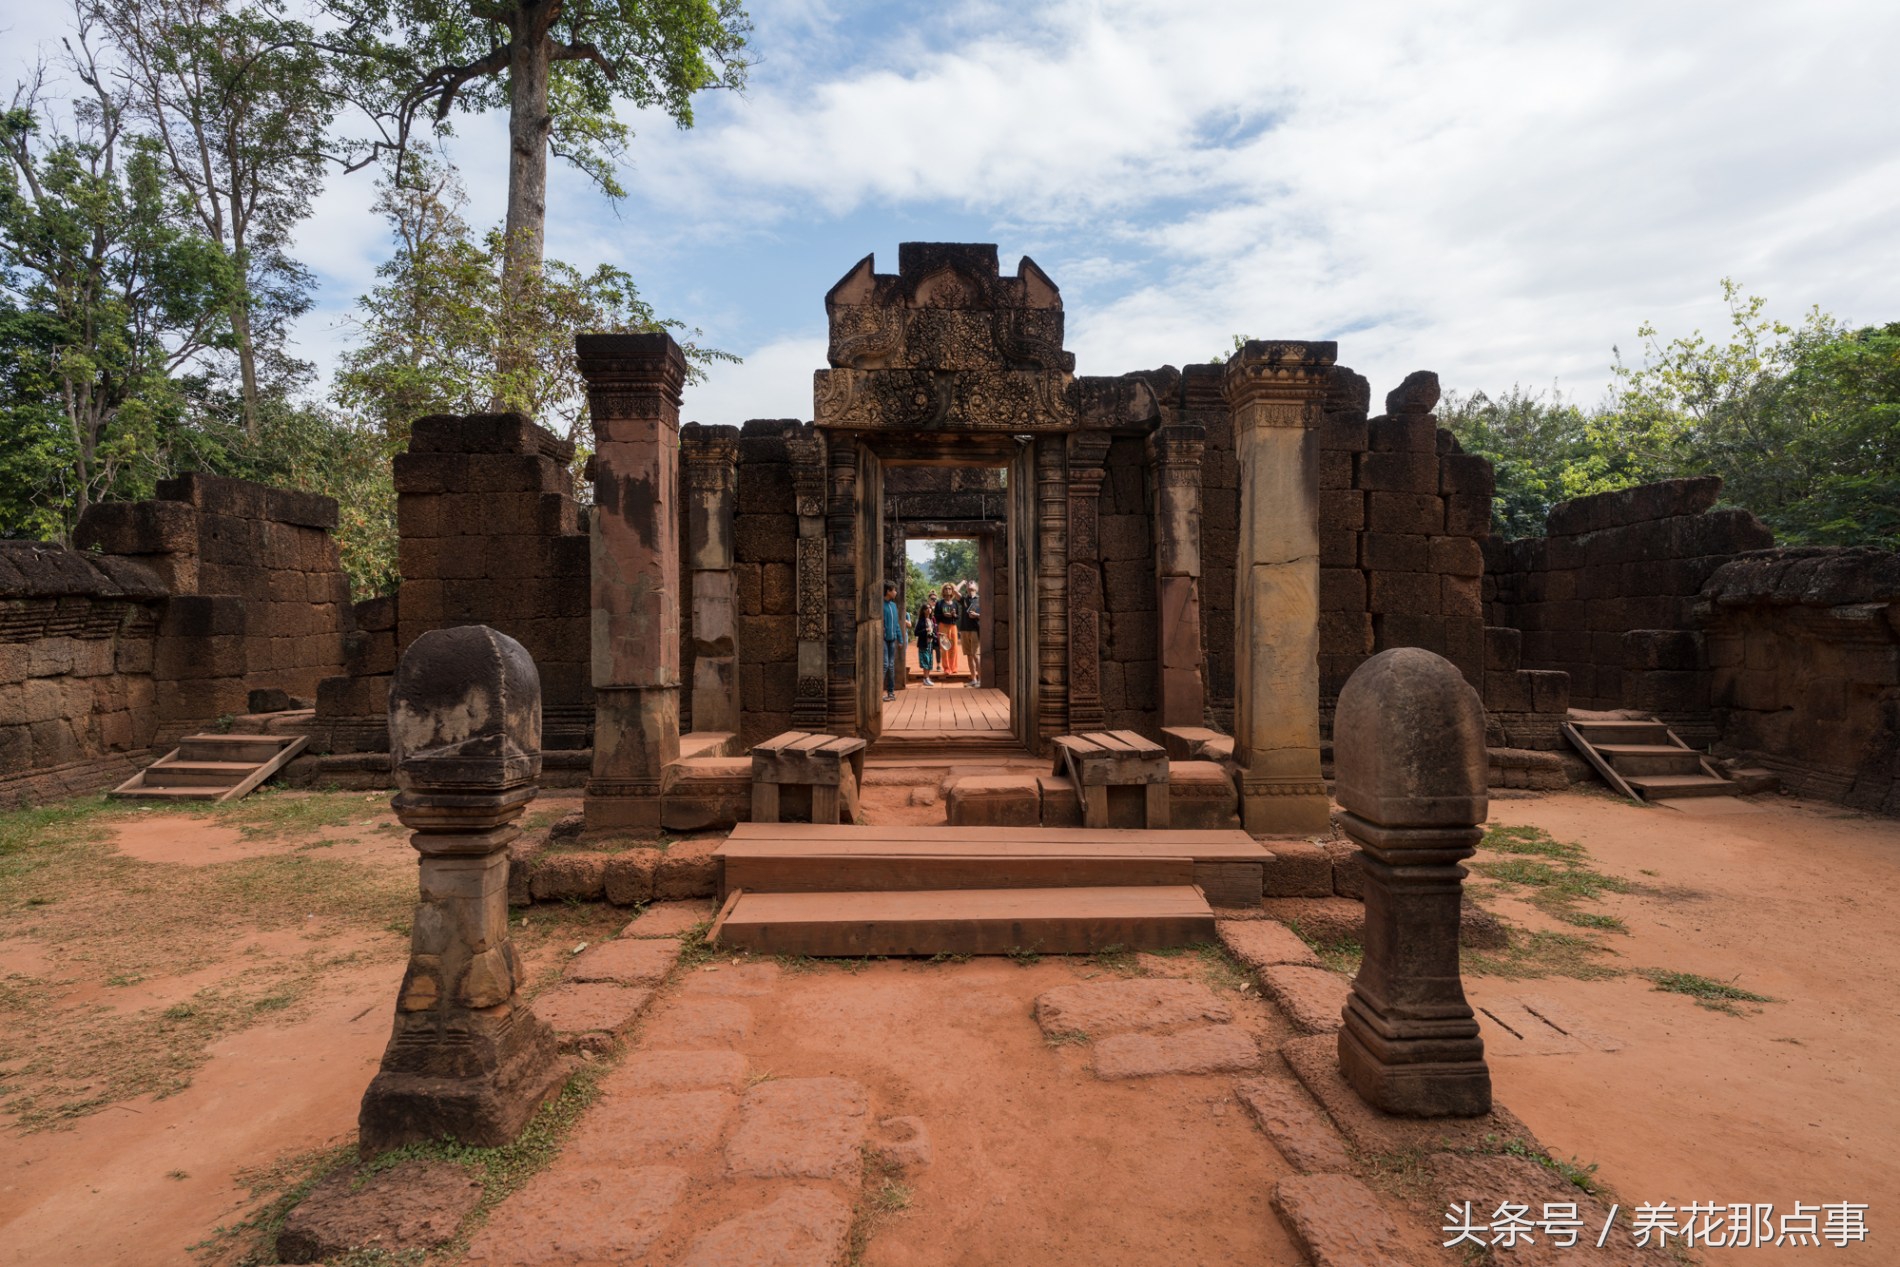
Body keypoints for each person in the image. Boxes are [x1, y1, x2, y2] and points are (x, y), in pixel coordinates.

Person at [933, 582, 962, 676]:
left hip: (953, 626)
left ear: (952, 591)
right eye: (946, 589)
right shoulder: (939, 603)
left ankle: (953, 667)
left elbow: (958, 617)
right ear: (943, 591)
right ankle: (946, 668)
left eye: (950, 589)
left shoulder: (955, 604)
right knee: (945, 647)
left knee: (954, 647)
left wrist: (954, 615)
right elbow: (936, 616)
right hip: (943, 626)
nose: (948, 590)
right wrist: (943, 615)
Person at [881, 582, 903, 702]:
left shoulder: (893, 606)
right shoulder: (881, 605)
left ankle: (890, 692)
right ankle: (879, 693)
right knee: (885, 664)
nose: (896, 592)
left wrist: (900, 638)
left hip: (892, 639)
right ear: (888, 591)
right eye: (894, 590)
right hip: (883, 639)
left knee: (891, 665)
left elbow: (896, 624)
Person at [958, 580, 981, 686]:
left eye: (971, 582)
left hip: (975, 630)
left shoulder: (981, 600)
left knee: (975, 655)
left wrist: (977, 615)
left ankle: (981, 680)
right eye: (968, 583)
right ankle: (973, 680)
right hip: (964, 629)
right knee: (969, 655)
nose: (969, 584)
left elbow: (987, 615)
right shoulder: (964, 599)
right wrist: (962, 582)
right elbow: (955, 591)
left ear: (976, 587)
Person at [913, 595, 937, 685]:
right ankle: (925, 678)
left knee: (930, 661)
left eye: (929, 608)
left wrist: (935, 635)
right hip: (923, 644)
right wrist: (925, 630)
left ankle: (927, 678)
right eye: (926, 608)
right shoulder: (921, 621)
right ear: (923, 611)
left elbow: (933, 632)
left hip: (930, 644)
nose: (928, 610)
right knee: (925, 661)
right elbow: (916, 633)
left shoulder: (931, 620)